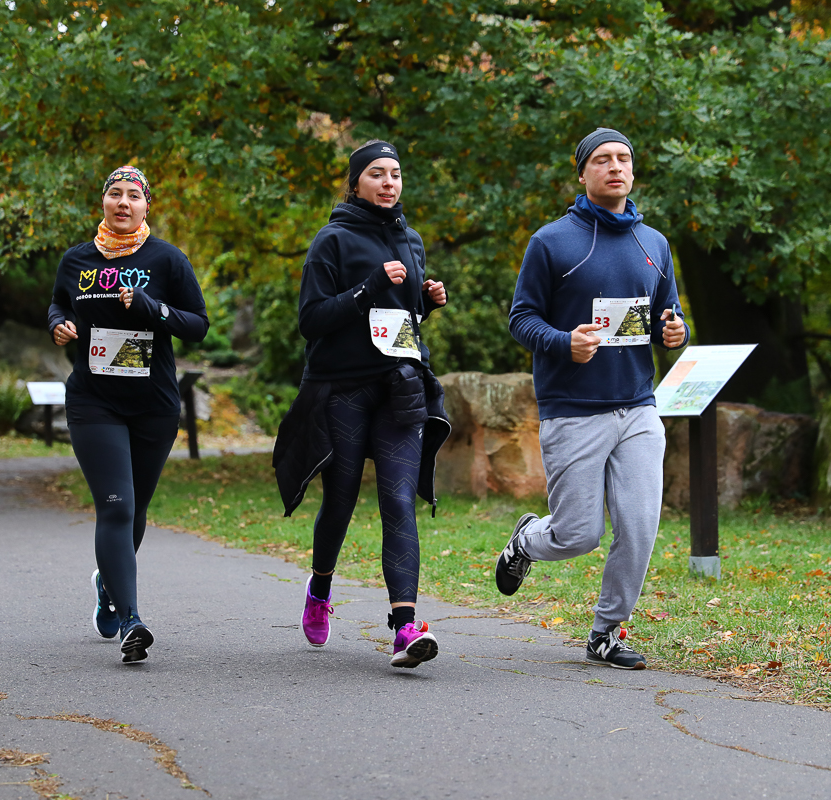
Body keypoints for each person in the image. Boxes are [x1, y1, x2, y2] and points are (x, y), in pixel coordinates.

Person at [496, 128, 688, 670]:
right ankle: (527, 542)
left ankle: (606, 631)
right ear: (582, 174)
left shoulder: (655, 244)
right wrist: (564, 343)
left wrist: (676, 333)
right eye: (601, 160)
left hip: (639, 408)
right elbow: (521, 318)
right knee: (578, 534)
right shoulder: (553, 241)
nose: (615, 167)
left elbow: (666, 316)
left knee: (640, 527)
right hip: (575, 411)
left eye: (624, 158)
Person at [273, 140, 452, 669]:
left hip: (399, 385)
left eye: (396, 174)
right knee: (343, 499)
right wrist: (368, 288)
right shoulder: (332, 240)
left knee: (398, 499)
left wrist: (427, 302)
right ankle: (320, 587)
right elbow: (311, 321)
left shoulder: (410, 239)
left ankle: (404, 627)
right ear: (356, 183)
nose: (389, 183)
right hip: (343, 388)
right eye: (377, 174)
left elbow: (403, 317)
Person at [48, 165, 209, 664]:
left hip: (154, 405)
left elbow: (198, 325)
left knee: (135, 510)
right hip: (95, 402)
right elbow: (58, 306)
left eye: (133, 195)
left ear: (146, 206)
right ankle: (131, 621)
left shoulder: (166, 259)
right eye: (114, 194)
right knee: (115, 506)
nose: (123, 202)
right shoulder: (77, 260)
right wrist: (59, 325)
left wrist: (151, 308)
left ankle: (107, 585)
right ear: (103, 203)